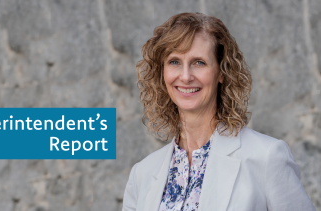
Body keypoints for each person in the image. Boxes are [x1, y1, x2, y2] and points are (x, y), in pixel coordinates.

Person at [122, 12, 315, 211]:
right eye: (174, 62)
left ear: (221, 71)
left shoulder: (267, 157)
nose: (186, 76)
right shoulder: (141, 174)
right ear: (163, 72)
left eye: (199, 62)